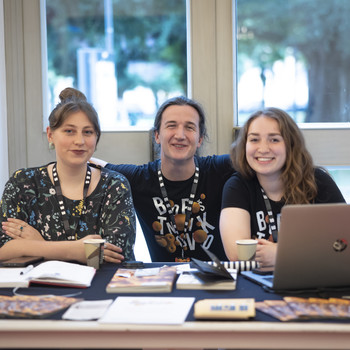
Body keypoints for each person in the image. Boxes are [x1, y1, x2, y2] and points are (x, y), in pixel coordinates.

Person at [0, 88, 136, 264]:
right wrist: (76, 250)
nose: (79, 141)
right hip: (37, 288)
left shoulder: (115, 185)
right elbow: (4, 249)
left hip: (102, 288)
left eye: (87, 132)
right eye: (69, 131)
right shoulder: (23, 183)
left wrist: (38, 245)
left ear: (97, 137)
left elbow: (116, 254)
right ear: (50, 135)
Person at [93, 96, 234, 262]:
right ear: (157, 135)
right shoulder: (140, 179)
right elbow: (97, 165)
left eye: (189, 127)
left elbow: (253, 157)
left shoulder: (218, 170)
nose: (180, 135)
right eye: (171, 126)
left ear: (200, 139)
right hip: (163, 281)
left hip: (215, 281)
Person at [220, 107, 346, 267]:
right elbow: (237, 253)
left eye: (274, 139)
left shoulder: (318, 181)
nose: (263, 148)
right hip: (255, 283)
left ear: (291, 145)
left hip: (310, 283)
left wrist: (280, 254)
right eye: (254, 139)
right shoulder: (237, 186)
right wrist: (307, 253)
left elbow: (342, 244)